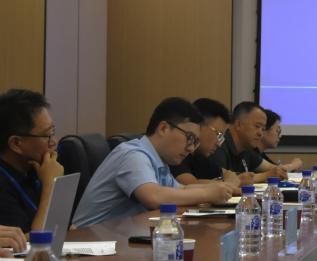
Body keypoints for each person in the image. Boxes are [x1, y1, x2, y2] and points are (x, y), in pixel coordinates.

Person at [73, 97, 231, 227]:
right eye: (189, 138)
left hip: (117, 239)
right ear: (163, 128)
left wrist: (221, 189)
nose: (190, 148)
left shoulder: (159, 160)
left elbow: (181, 190)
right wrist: (207, 193)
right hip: (87, 243)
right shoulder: (133, 155)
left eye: (195, 142)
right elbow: (154, 197)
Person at [0, 89, 64, 233]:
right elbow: (37, 241)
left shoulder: (37, 169)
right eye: (47, 135)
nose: (54, 142)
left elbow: (65, 229)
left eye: (53, 132)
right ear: (16, 143)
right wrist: (51, 186)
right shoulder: (3, 186)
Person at [171, 98, 250, 193]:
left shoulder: (199, 157)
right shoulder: (178, 153)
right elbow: (190, 185)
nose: (218, 143)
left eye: (222, 137)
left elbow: (230, 175)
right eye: (218, 134)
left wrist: (223, 184)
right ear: (198, 126)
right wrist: (224, 184)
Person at [210, 102, 287, 183]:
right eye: (257, 126)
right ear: (239, 124)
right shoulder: (218, 146)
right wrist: (265, 176)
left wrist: (277, 171)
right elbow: (219, 182)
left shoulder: (246, 148)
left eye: (263, 129)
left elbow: (273, 169)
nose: (260, 133)